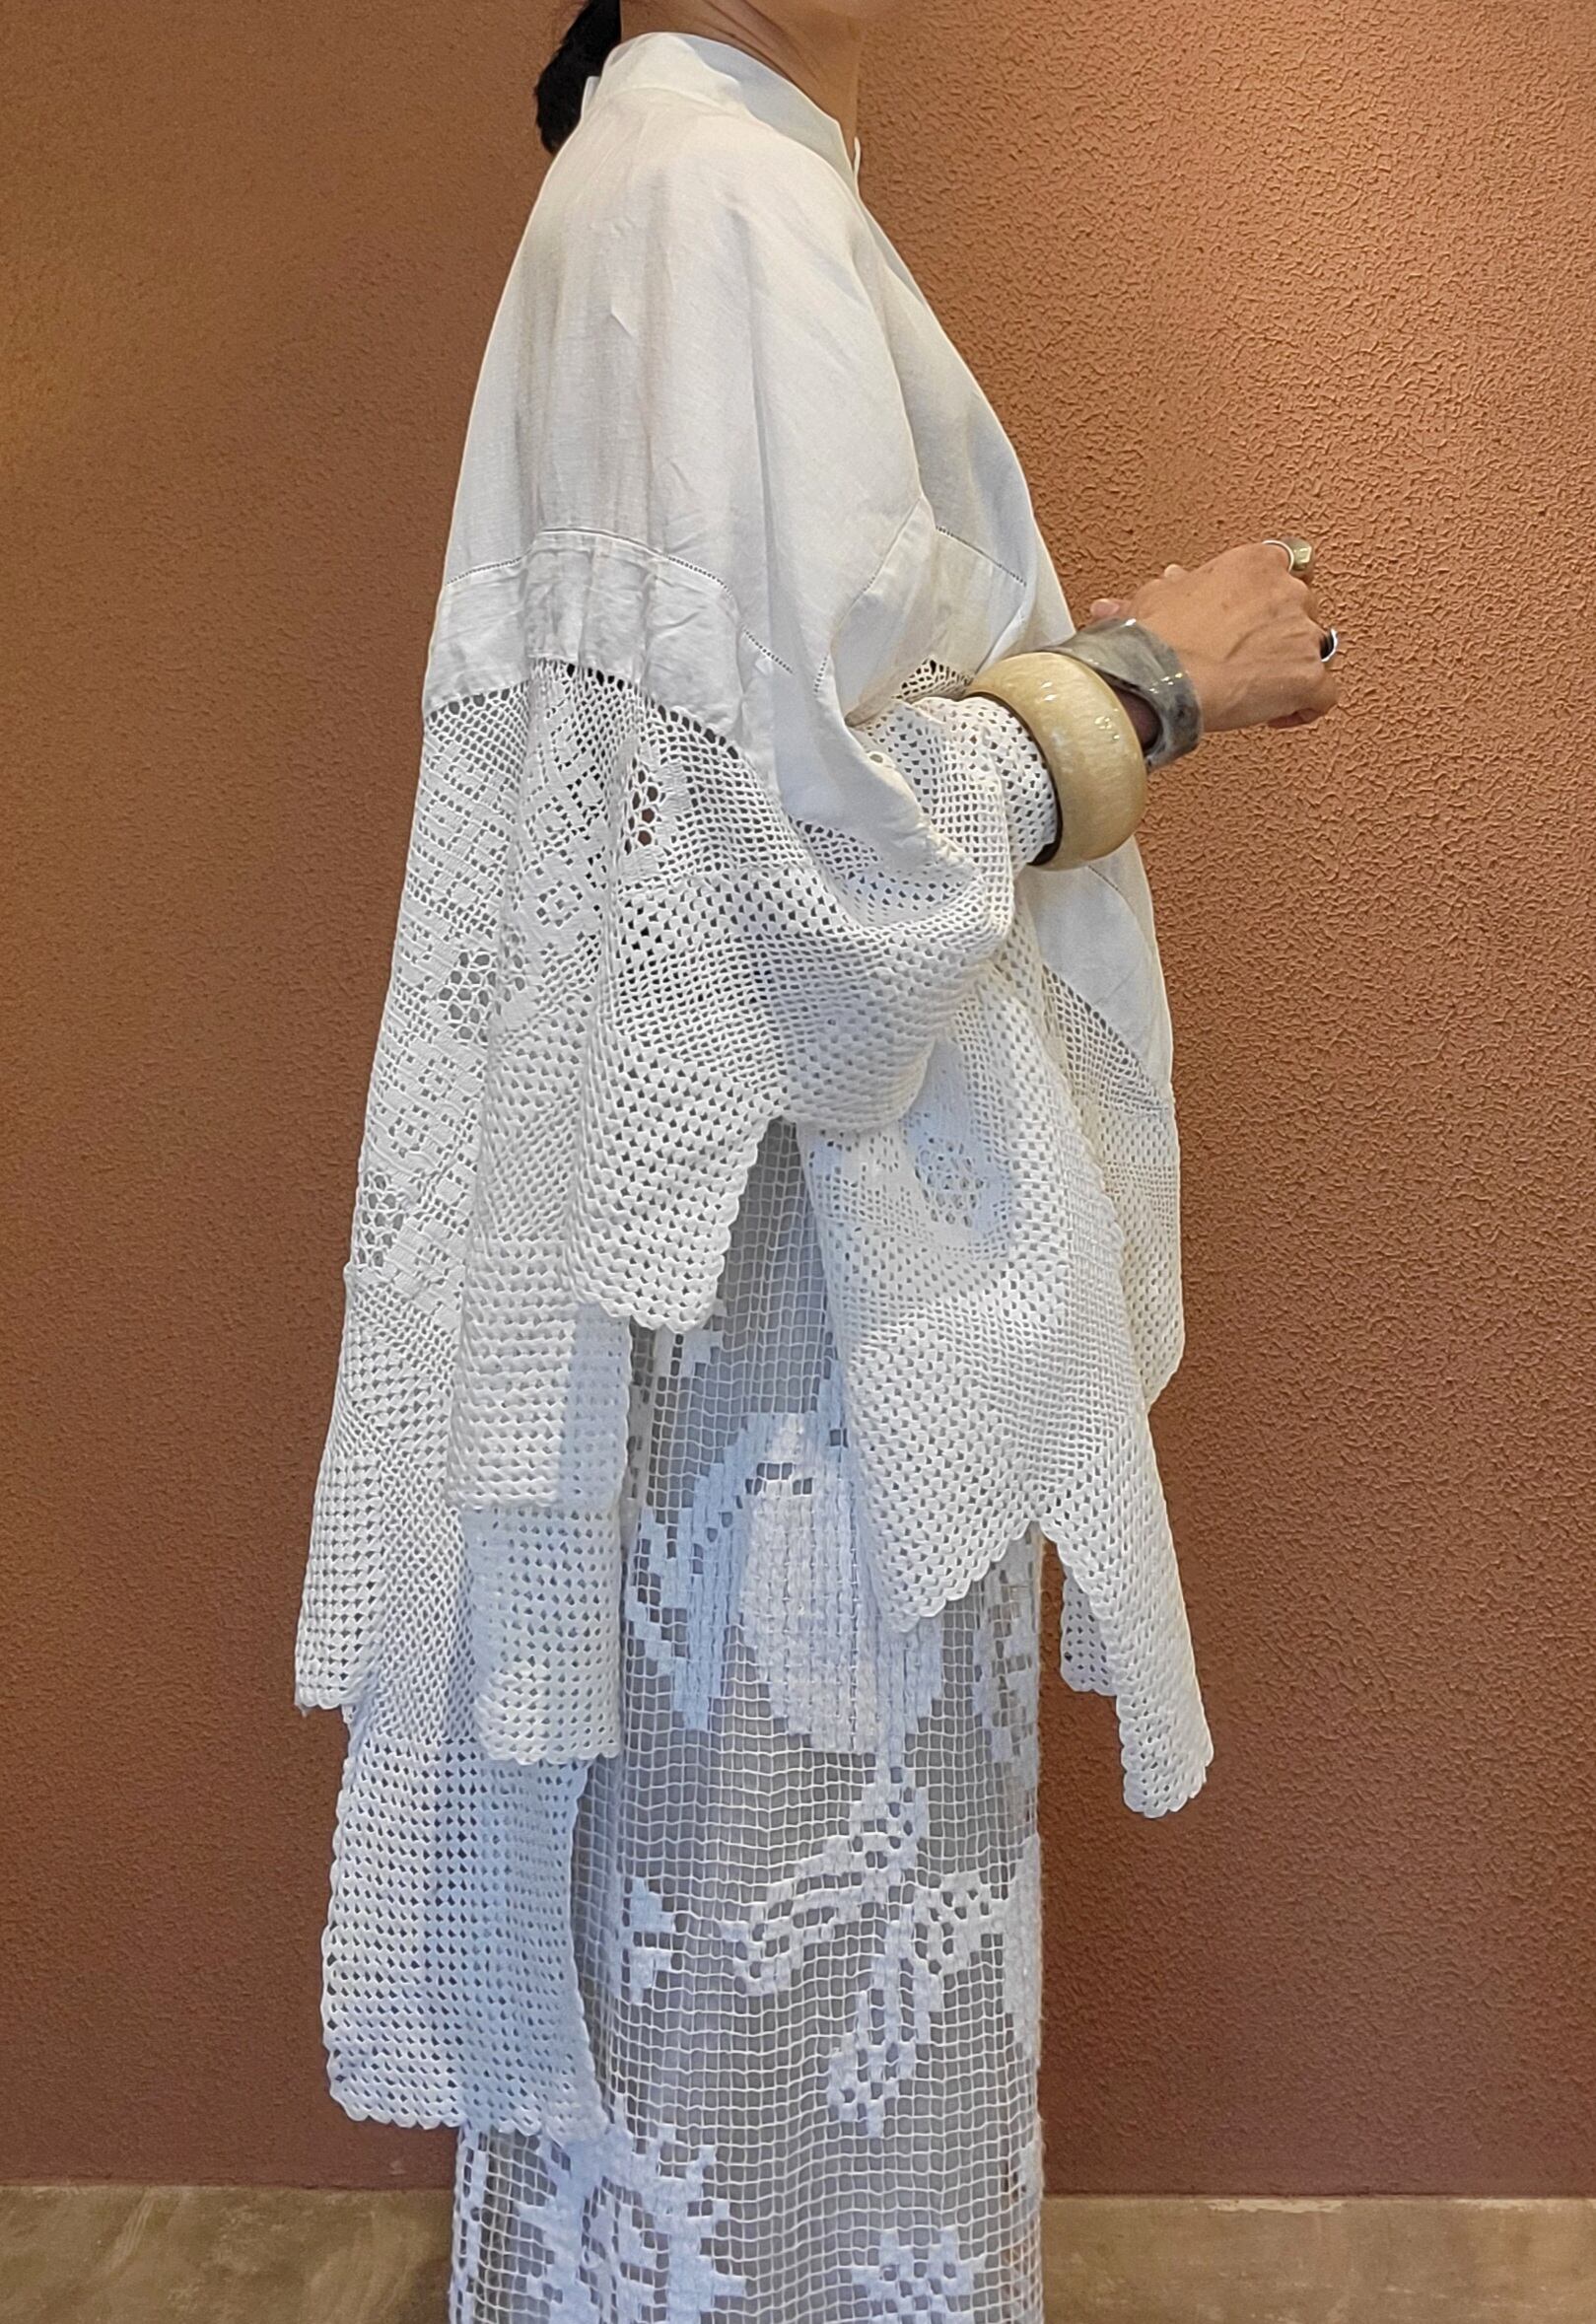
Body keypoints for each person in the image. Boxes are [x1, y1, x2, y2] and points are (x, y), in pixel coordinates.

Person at [294, 7, 1341, 2320]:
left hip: (723, 1327)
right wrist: (1149, 681)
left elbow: (724, 827)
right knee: (778, 2079)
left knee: (709, 2056)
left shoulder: (675, 180)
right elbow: (793, 883)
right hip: (787, 1341)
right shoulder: (714, 198)